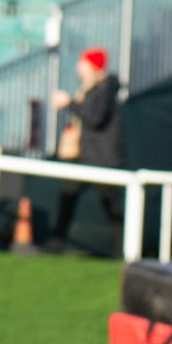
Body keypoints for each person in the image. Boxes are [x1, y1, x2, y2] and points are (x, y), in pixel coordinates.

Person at [46, 46, 124, 253]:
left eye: (83, 62)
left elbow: (94, 118)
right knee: (67, 197)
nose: (78, 67)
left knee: (112, 208)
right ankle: (55, 243)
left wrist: (69, 103)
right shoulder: (91, 89)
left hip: (101, 160)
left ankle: (122, 253)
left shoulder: (104, 90)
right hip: (86, 157)